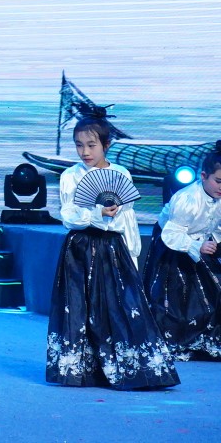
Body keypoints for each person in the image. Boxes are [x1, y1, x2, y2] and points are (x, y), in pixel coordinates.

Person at [45, 114, 179, 389]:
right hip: (80, 248)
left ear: (106, 145)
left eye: (91, 145)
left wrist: (131, 252)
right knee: (79, 306)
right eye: (79, 145)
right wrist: (96, 214)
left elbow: (126, 218)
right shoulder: (70, 175)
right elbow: (68, 214)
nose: (84, 151)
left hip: (112, 248)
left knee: (120, 305)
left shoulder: (121, 174)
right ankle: (81, 370)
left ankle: (127, 368)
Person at [143, 151, 221, 360]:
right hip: (172, 244)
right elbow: (172, 234)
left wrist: (213, 241)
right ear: (203, 176)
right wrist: (197, 246)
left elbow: (215, 223)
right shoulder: (187, 199)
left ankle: (206, 336)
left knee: (212, 286)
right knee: (174, 294)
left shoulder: (217, 197)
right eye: (218, 181)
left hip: (200, 241)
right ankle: (178, 338)